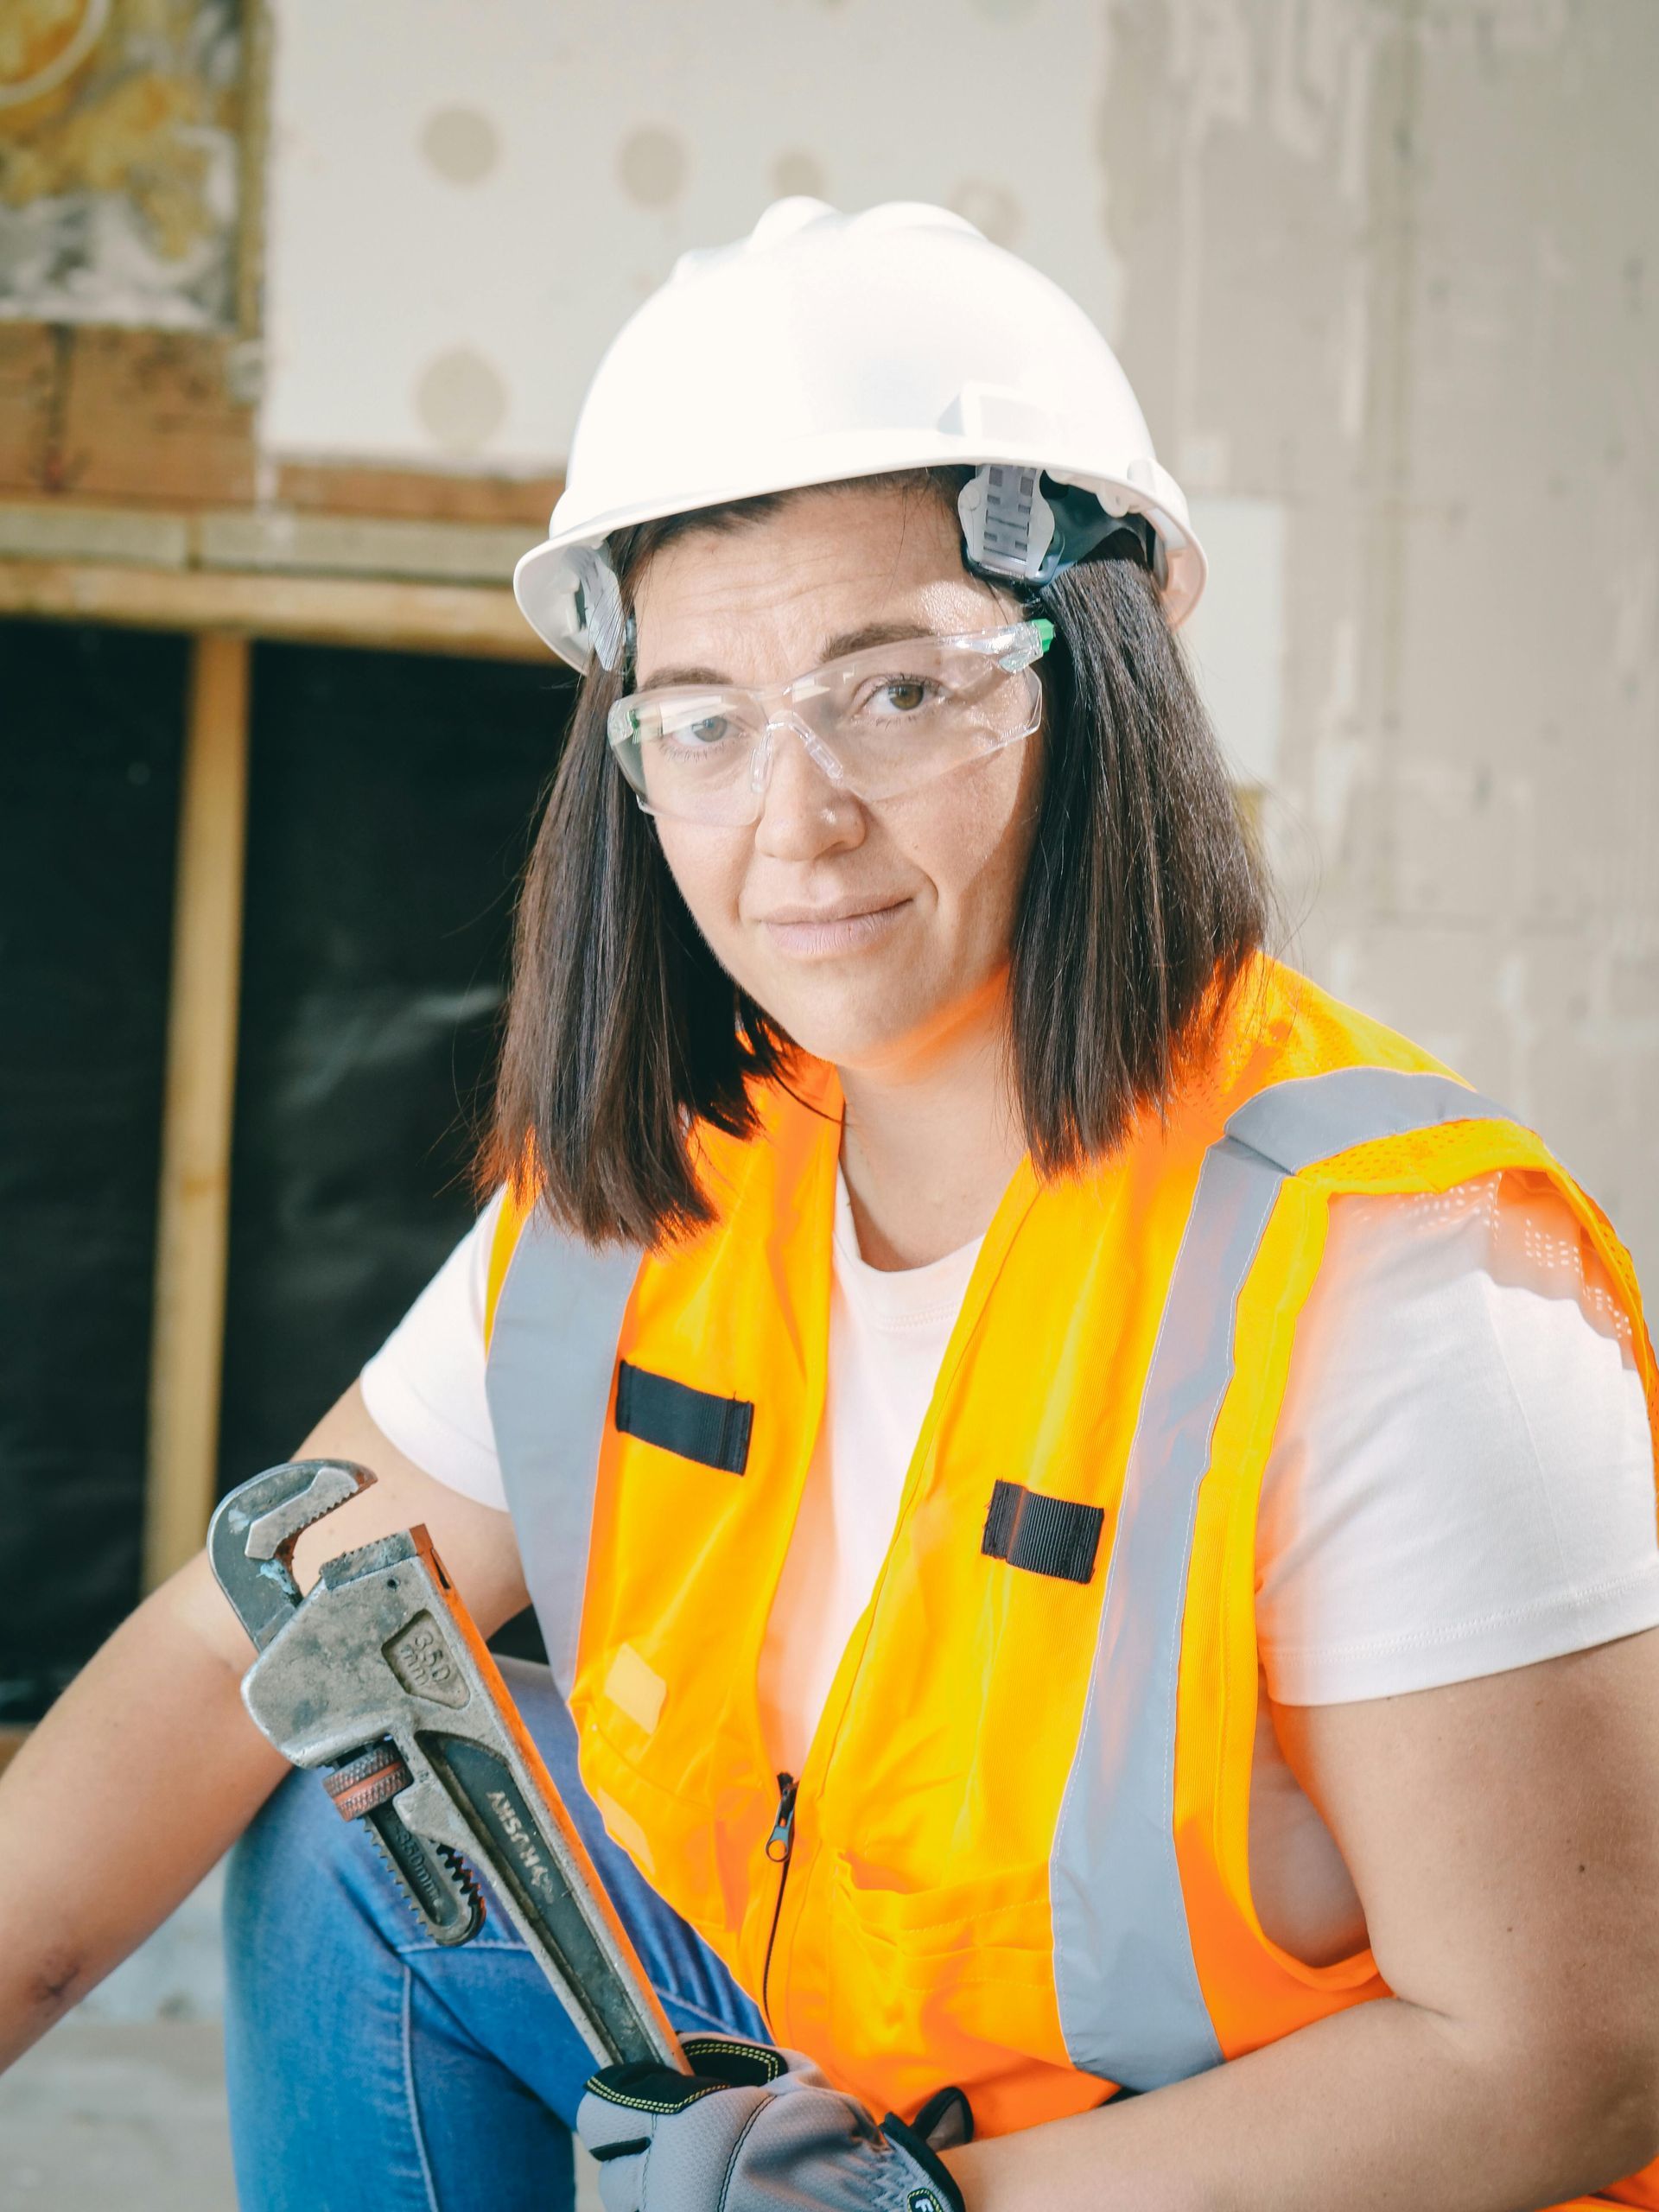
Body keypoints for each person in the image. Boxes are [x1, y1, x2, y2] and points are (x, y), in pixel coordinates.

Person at [3, 199, 1657, 2212]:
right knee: (367, 1838)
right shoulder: (676, 1177)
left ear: (1094, 673)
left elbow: (1562, 2054)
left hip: (1191, 2174)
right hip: (852, 2082)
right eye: (702, 717)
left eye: (896, 692)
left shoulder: (1392, 1275)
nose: (794, 822)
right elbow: (245, 1641)